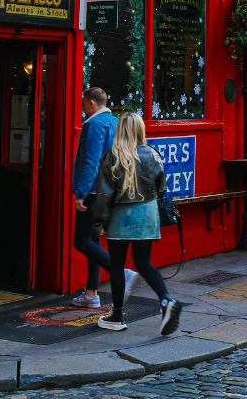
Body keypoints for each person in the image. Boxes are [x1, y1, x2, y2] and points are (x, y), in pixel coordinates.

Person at [90, 112, 181, 335]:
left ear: (120, 130)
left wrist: (98, 222)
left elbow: (104, 195)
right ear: (140, 130)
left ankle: (118, 315)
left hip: (121, 215)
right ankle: (166, 300)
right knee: (143, 262)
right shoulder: (153, 154)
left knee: (117, 265)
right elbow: (162, 188)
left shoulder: (112, 156)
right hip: (147, 213)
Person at [69, 87, 134, 309]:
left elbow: (91, 161)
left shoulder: (95, 124)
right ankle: (91, 294)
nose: (82, 109)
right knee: (94, 240)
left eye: (84, 105)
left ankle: (121, 271)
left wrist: (81, 193)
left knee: (81, 240)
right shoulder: (115, 122)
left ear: (92, 104)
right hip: (109, 189)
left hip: (94, 191)